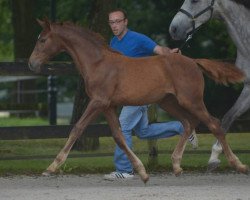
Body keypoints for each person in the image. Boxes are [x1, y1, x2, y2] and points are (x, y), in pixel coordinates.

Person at [104, 8, 198, 181]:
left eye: (118, 21)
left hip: (142, 92)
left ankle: (124, 170)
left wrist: (171, 54)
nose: (114, 25)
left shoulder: (137, 38)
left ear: (126, 22)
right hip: (126, 94)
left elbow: (158, 50)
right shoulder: (113, 43)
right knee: (143, 132)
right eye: (111, 22)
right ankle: (182, 127)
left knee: (122, 126)